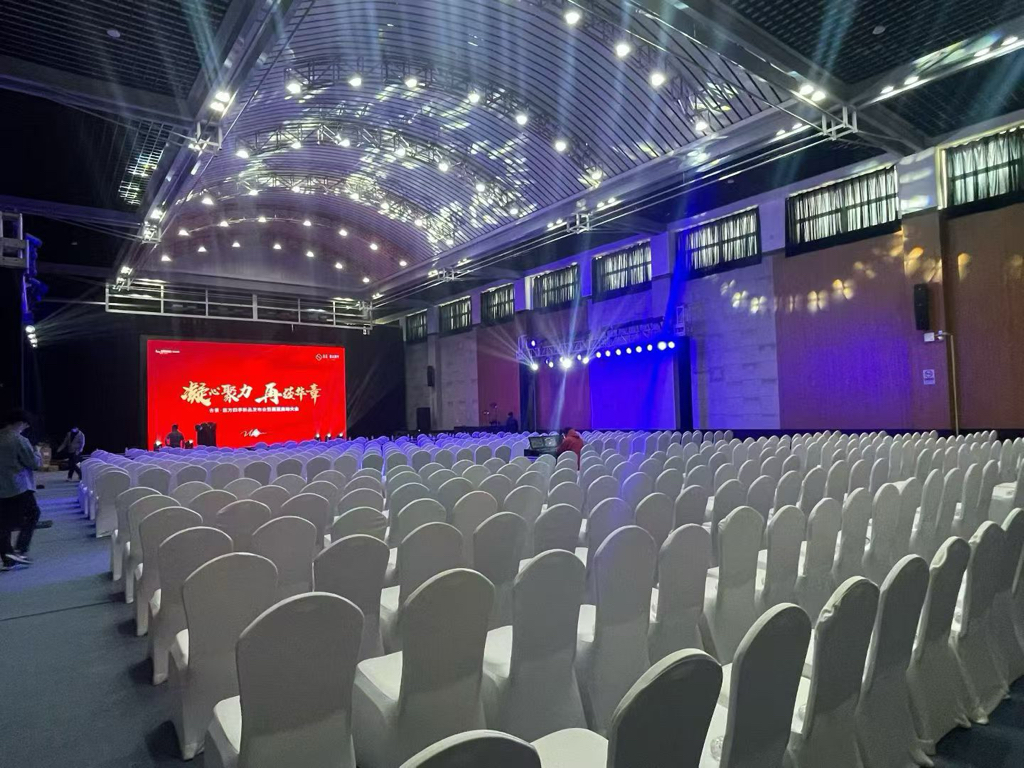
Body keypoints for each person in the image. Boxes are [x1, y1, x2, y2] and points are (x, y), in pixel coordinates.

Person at [0, 409, 42, 570]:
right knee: (33, 513)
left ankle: (7, 556)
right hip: (18, 486)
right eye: (25, 426)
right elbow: (33, 463)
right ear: (21, 423)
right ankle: (20, 549)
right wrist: (37, 453)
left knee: (3, 522)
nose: (25, 428)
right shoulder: (19, 440)